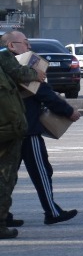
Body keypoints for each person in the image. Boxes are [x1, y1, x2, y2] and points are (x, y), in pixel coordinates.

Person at [3, 30, 79, 224]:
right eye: (25, 43)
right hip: (28, 130)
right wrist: (68, 111)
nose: (29, 47)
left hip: (8, 130)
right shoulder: (21, 66)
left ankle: (3, 215)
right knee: (41, 171)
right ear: (12, 46)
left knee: (7, 175)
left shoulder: (5, 66)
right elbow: (43, 92)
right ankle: (52, 211)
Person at [0, 33, 33, 240]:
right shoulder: (4, 56)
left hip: (9, 129)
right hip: (7, 131)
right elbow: (21, 73)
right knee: (5, 178)